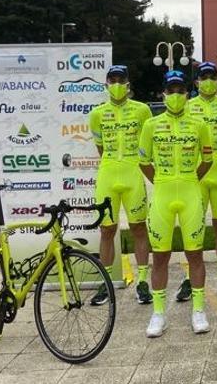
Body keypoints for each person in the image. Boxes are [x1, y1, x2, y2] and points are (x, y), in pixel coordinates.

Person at [139, 70, 213, 337]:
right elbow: (143, 162)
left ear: (187, 93)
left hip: (191, 193)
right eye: (171, 90)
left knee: (195, 254)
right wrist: (160, 181)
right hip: (163, 194)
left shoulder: (199, 125)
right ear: (164, 94)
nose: (176, 95)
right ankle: (158, 314)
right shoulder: (151, 125)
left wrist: (191, 179)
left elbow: (207, 160)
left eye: (181, 90)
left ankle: (198, 309)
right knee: (160, 256)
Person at [88, 65, 153, 306]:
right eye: (112, 80)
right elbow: (101, 148)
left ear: (127, 83)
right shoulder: (96, 114)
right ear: (106, 84)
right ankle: (105, 284)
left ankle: (143, 281)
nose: (116, 84)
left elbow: (148, 144)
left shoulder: (143, 110)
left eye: (120, 80)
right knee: (106, 230)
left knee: (138, 228)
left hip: (133, 174)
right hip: (108, 176)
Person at [177, 61, 217, 301]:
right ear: (196, 82)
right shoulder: (188, 106)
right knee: (194, 227)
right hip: (197, 174)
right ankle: (189, 277)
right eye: (204, 77)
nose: (209, 81)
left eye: (213, 76)